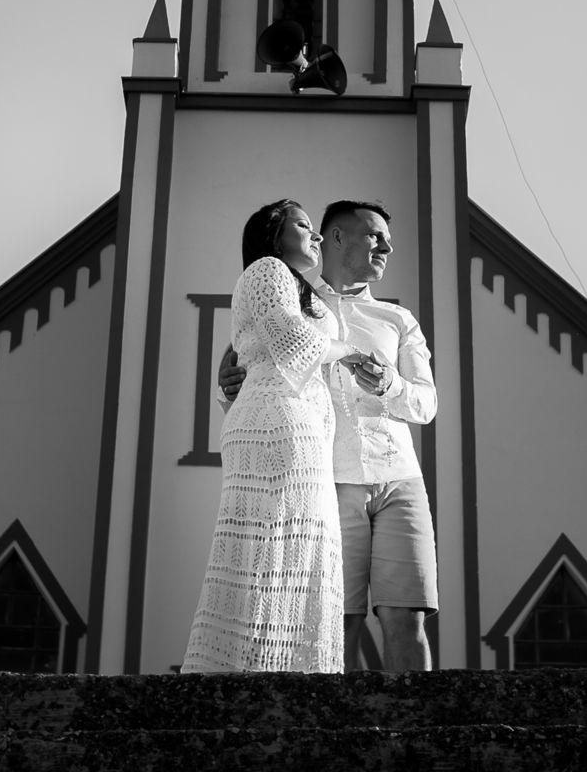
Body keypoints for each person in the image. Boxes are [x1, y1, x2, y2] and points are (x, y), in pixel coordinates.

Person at [220, 200, 439, 672]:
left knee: (408, 617)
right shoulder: (290, 298)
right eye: (375, 236)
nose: (387, 247)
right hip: (329, 481)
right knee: (336, 620)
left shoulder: (397, 320)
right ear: (337, 237)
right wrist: (225, 388)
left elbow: (426, 405)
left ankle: (413, 717)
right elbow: (248, 371)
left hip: (400, 479)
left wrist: (390, 384)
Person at [181, 199, 353, 673]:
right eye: (303, 225)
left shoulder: (295, 286)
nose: (316, 236)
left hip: (298, 422)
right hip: (278, 423)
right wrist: (348, 351)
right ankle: (254, 667)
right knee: (273, 544)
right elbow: (293, 340)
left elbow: (254, 348)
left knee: (292, 543)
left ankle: (282, 665)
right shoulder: (266, 269)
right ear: (275, 234)